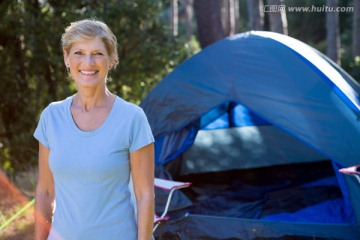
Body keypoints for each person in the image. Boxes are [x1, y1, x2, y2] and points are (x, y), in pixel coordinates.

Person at [34, 19, 155, 240]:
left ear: (111, 59)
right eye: (79, 52)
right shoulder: (51, 117)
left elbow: (144, 194)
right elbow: (45, 192)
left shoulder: (132, 118)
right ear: (66, 58)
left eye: (98, 53)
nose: (88, 62)